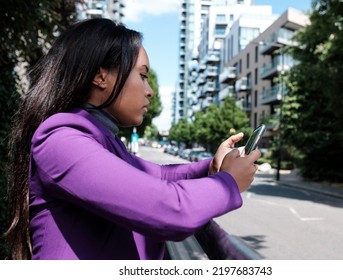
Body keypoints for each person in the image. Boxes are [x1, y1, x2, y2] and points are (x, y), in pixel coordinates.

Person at [5, 18, 261, 260]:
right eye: (142, 75)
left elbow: (159, 177)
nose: (149, 91)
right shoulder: (62, 140)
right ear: (100, 76)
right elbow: (169, 209)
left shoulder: (101, 138)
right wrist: (228, 183)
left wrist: (211, 167)